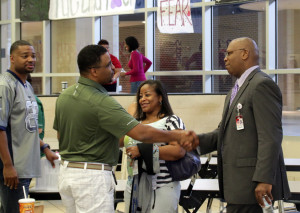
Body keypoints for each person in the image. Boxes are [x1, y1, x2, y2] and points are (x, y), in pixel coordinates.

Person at [53, 44, 197, 213]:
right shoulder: (101, 101)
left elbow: (60, 136)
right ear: (93, 71)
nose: (113, 68)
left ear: (160, 98)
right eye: (108, 65)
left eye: (147, 95)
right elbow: (141, 133)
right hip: (91, 178)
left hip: (67, 173)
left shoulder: (65, 96)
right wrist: (177, 136)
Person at [188, 37, 290, 213]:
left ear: (244, 54)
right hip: (237, 186)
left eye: (229, 53)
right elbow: (224, 132)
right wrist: (195, 142)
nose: (225, 58)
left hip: (252, 186)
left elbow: (270, 137)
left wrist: (264, 179)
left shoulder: (261, 85)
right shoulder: (236, 90)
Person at [0, 40, 58, 213]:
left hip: (25, 166)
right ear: (12, 58)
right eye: (24, 56)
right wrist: (8, 166)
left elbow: (28, 127)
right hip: (13, 169)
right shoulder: (5, 85)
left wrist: (45, 148)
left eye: (33, 55)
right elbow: (0, 128)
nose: (31, 59)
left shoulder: (26, 85)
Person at [121, 80, 186, 213]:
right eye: (140, 96)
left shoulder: (171, 121)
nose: (142, 99)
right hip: (133, 187)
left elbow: (178, 150)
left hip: (161, 187)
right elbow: (119, 141)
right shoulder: (135, 123)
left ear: (160, 97)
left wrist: (143, 150)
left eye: (147, 95)